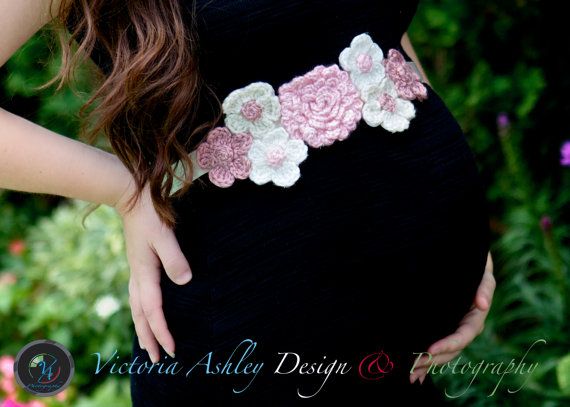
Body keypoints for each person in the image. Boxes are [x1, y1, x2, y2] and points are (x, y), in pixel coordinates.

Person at [0, 0, 496, 405]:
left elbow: (372, 30)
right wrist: (125, 190)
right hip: (254, 342)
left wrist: (457, 226)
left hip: (408, 350)